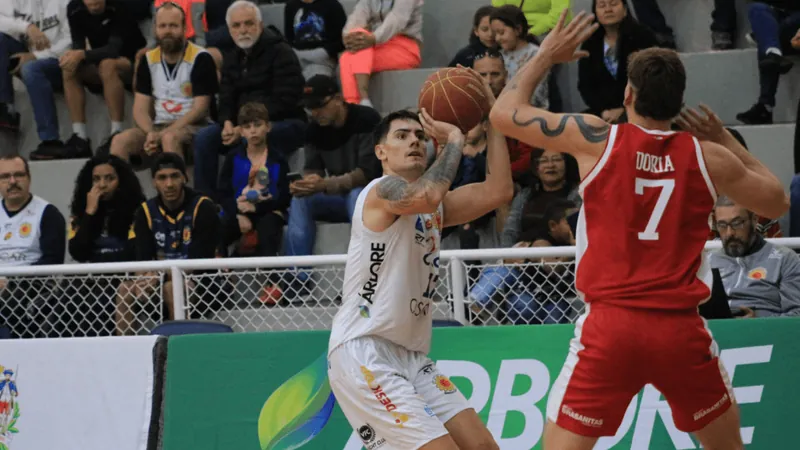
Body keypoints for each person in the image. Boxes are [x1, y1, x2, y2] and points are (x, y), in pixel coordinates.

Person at [490, 10, 788, 449]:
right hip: (679, 330)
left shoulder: (596, 137)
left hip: (610, 327)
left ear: (628, 93)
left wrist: (545, 56)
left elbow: (503, 114)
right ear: (678, 101)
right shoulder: (708, 155)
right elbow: (777, 200)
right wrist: (724, 138)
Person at [327, 71, 513, 449]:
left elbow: (500, 190)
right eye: (401, 136)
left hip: (410, 355)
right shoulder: (381, 191)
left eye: (419, 136)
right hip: (364, 351)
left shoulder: (434, 207)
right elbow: (425, 196)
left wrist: (492, 118)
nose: (413, 141)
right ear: (381, 152)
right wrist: (456, 141)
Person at [193, 0, 306, 197]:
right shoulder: (232, 57)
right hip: (241, 126)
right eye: (236, 26)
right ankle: (205, 203)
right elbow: (226, 98)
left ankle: (244, 201)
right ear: (229, 30)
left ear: (260, 25)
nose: (243, 30)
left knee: (253, 137)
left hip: (284, 123)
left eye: (249, 23)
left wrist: (246, 126)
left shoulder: (281, 52)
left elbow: (285, 100)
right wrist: (227, 122)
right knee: (205, 138)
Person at [118, 153, 219, 335]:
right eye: (162, 178)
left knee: (173, 287)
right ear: (154, 182)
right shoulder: (145, 211)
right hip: (158, 281)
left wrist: (158, 275)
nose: (169, 184)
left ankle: (179, 350)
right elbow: (142, 261)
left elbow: (198, 262)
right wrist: (143, 280)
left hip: (204, 284)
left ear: (184, 178)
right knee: (125, 289)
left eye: (175, 176)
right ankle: (125, 350)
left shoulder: (202, 206)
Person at [108, 1, 218, 164]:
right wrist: (151, 132)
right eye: (163, 26)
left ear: (185, 29)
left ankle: (177, 188)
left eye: (173, 26)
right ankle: (123, 189)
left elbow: (200, 109)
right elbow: (140, 109)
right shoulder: (148, 59)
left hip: (195, 127)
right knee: (119, 141)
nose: (167, 31)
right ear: (155, 29)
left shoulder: (200, 57)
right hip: (158, 126)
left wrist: (164, 133)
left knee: (169, 138)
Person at [56, 0, 147, 160]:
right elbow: (78, 43)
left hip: (132, 61)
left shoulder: (119, 5)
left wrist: (83, 54)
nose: (94, 2)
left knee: (108, 65)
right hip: (98, 60)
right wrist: (73, 56)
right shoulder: (74, 8)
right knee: (69, 67)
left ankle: (116, 131)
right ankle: (80, 136)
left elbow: (114, 49)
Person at [0, 0, 77, 158]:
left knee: (31, 68)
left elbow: (72, 40)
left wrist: (35, 56)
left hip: (60, 59)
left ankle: (50, 141)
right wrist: (27, 27)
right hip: (30, 54)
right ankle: (6, 108)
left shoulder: (65, 3)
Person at [0, 156, 66, 338]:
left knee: (13, 302)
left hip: (30, 285)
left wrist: (11, 281)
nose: (12, 182)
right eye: (5, 177)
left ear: (29, 178)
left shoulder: (47, 213)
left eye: (18, 175)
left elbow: (52, 261)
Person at [710, 195, 800, 317]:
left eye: (737, 223)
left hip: (764, 333)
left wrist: (758, 323)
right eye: (722, 225)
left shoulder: (785, 259)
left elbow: (796, 315)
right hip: (715, 331)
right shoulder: (710, 261)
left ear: (754, 220)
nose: (729, 233)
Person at [578, 0, 658, 121]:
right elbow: (585, 85)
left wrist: (624, 109)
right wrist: (603, 111)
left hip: (640, 109)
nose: (608, 9)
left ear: (625, 9)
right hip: (603, 112)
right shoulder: (590, 43)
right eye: (602, 5)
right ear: (595, 12)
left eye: (613, 4)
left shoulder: (643, 37)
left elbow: (652, 81)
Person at [339, 0, 423, 106]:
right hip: (376, 46)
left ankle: (359, 103)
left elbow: (397, 20)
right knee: (346, 57)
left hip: (404, 48)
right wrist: (349, 37)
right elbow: (355, 18)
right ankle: (357, 104)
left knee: (354, 55)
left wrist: (373, 38)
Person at [284, 0, 347, 79]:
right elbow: (288, 38)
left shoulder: (333, 5)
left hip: (323, 60)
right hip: (298, 58)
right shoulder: (291, 6)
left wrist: (322, 53)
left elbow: (343, 40)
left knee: (314, 82)